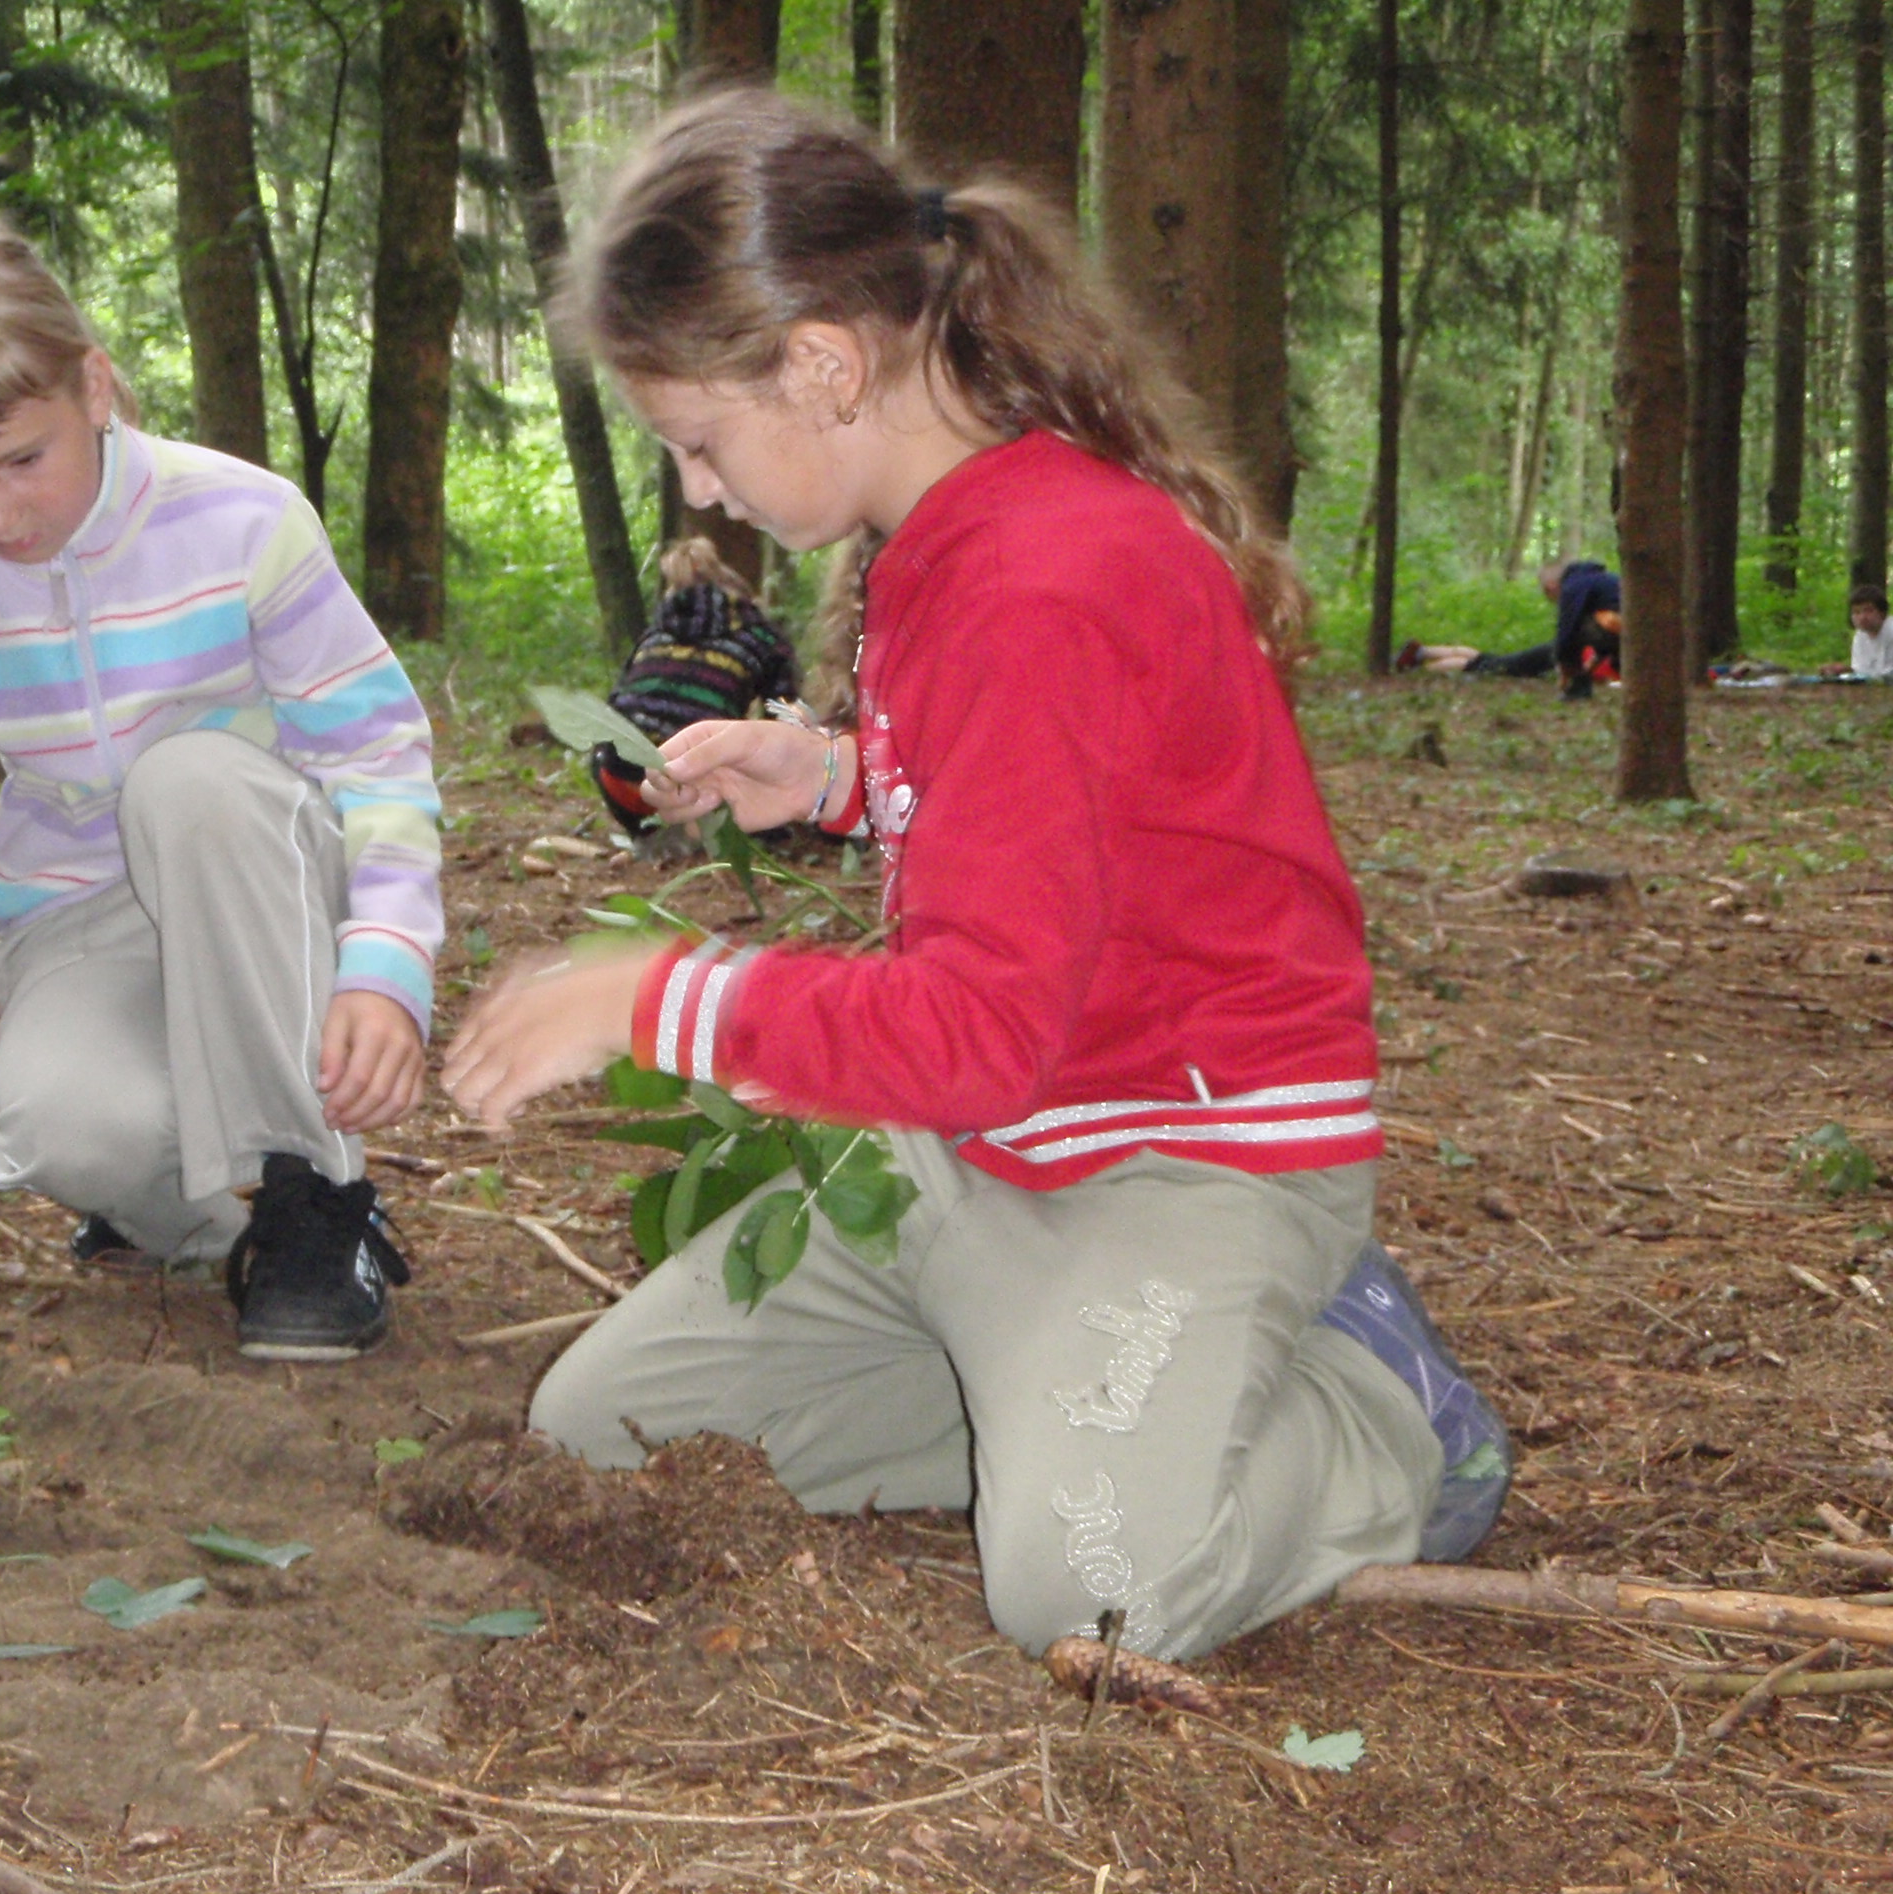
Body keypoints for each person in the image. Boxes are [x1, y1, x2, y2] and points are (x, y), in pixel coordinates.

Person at [441, 89, 1510, 1664]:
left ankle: (1375, 1410)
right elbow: (1044, 819)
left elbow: (982, 1025)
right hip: (978, 1158)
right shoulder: (942, 543)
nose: (702, 493)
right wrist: (832, 779)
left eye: (699, 444)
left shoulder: (1045, 577)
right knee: (606, 1433)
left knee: (1095, 1590)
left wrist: (654, 998)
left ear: (822, 365)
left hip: (1180, 1156)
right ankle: (1072, 1404)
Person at [0, 217, 442, 1362]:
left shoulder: (243, 522)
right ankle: (203, 1218)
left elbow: (376, 756)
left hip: (262, 881)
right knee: (67, 1130)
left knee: (187, 778)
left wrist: (387, 964)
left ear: (94, 389)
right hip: (79, 914)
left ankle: (313, 1201)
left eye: (21, 460)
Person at [590, 537, 802, 834]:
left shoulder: (654, 635)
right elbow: (784, 717)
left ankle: (649, 834)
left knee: (611, 746)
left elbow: (614, 706)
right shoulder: (761, 636)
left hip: (621, 784)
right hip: (695, 790)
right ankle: (734, 830)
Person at [1397, 558, 1622, 697]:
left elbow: (1568, 631)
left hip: (1597, 639)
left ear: (1552, 586)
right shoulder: (1597, 580)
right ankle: (1423, 662)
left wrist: (1568, 665)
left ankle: (1423, 654)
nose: (1554, 602)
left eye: (1549, 595)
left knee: (1495, 662)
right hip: (1602, 638)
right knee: (1495, 664)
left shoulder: (1576, 586)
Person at [1849, 585, 1893, 681]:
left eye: (1868, 611)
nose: (1862, 617)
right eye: (1856, 612)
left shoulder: (1891, 631)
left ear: (1882, 613)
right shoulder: (1859, 636)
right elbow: (1860, 672)